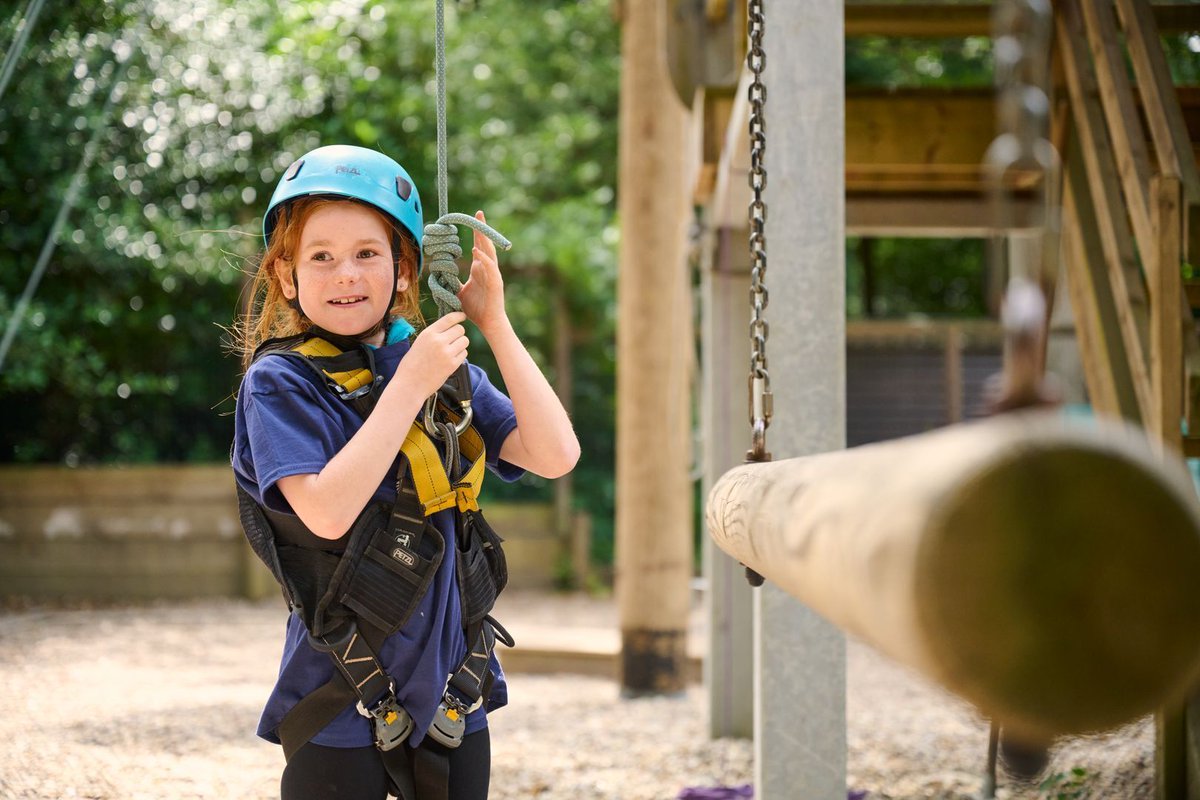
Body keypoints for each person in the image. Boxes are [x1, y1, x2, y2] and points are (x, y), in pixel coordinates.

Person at [230, 144, 580, 800]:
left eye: (367, 253)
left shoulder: (438, 367)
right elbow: (327, 511)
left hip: (453, 692)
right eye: (321, 257)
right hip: (339, 691)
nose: (345, 275)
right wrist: (409, 381)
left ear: (403, 270)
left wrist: (495, 325)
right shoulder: (281, 383)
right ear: (285, 275)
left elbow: (556, 454)